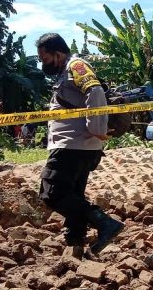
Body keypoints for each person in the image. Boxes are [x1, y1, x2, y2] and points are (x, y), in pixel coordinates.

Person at [36, 33, 124, 256]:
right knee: (73, 194)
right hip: (76, 146)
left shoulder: (76, 65)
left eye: (45, 59)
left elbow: (94, 92)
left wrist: (97, 128)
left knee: (52, 193)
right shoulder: (64, 71)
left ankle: (105, 223)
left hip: (73, 146)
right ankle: (75, 243)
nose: (43, 64)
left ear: (58, 53)